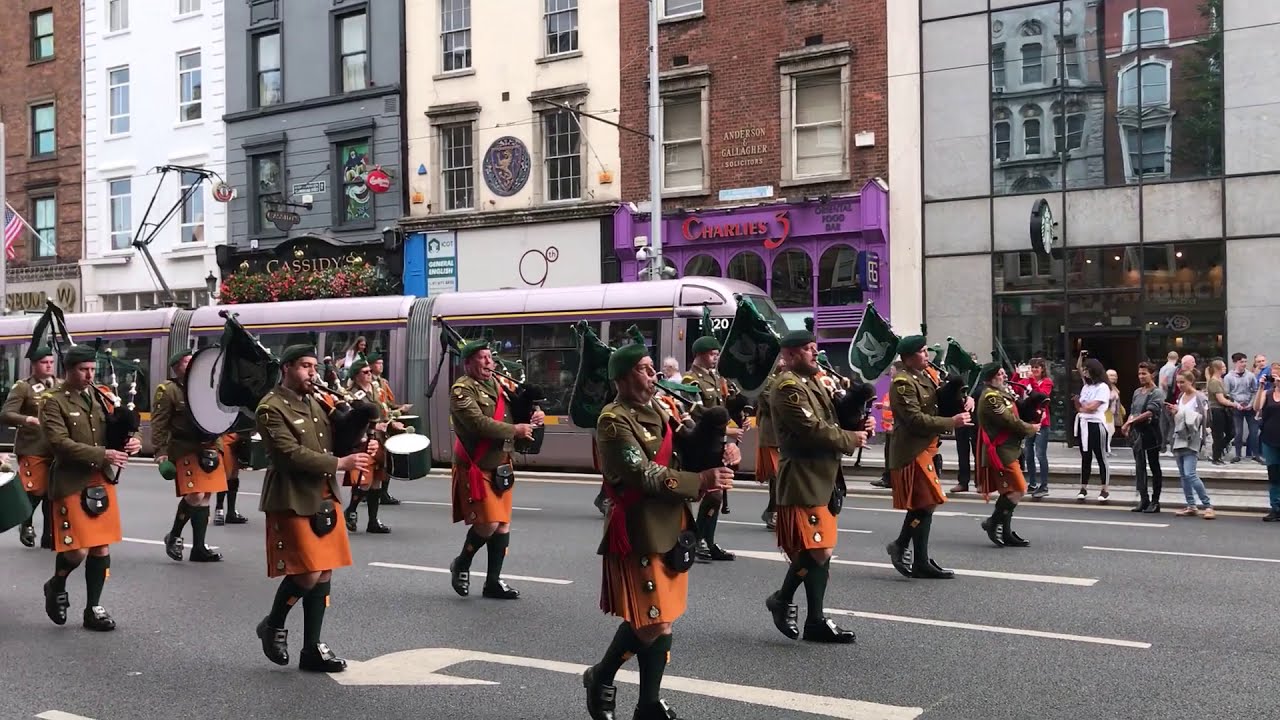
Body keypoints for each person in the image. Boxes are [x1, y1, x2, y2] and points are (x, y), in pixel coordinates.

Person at [582, 341, 734, 720]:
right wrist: (699, 480)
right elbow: (642, 473)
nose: (653, 376)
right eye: (644, 369)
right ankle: (601, 676)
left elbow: (688, 449)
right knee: (651, 622)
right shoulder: (614, 420)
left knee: (661, 618)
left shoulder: (664, 407)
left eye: (653, 369)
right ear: (622, 377)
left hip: (673, 522)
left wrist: (722, 451)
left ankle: (647, 703)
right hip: (639, 525)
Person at [254, 345, 376, 672]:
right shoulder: (270, 407)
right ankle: (273, 625)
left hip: (324, 492)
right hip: (292, 495)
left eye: (313, 366)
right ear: (287, 368)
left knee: (324, 569)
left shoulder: (318, 401)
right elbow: (287, 454)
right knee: (307, 572)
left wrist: (363, 436)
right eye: (305, 366)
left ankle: (312, 648)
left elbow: (336, 438)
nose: (312, 372)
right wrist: (340, 462)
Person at [765, 329, 867, 643]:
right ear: (791, 354)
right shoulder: (787, 387)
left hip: (823, 473)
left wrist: (857, 424)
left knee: (820, 550)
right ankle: (783, 600)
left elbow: (832, 419)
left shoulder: (812, 382)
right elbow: (810, 428)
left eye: (814, 347)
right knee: (818, 548)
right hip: (803, 475)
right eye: (809, 349)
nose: (815, 353)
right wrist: (851, 439)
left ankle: (814, 619)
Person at [40, 344, 142, 631]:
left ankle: (93, 608)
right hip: (71, 481)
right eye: (83, 370)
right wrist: (102, 454)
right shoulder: (52, 401)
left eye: (92, 370)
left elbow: (115, 429)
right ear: (69, 371)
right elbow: (58, 443)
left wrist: (129, 442)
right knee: (77, 551)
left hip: (100, 479)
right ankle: (56, 583)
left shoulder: (100, 396)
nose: (89, 375)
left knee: (100, 547)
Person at [448, 340, 544, 600]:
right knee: (488, 523)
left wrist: (534, 414)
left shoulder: (499, 384)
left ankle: (492, 582)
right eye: (483, 358)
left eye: (491, 357)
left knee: (502, 525)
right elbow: (478, 423)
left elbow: (515, 411)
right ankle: (462, 563)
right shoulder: (461, 390)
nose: (490, 362)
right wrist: (515, 430)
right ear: (468, 363)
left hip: (501, 463)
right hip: (477, 465)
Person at [885, 336, 969, 579]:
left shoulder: (924, 376)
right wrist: (951, 422)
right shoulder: (902, 382)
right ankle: (905, 548)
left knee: (925, 505)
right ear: (909, 356)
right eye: (922, 351)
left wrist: (963, 401)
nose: (926, 355)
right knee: (928, 502)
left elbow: (937, 404)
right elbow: (914, 419)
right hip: (912, 448)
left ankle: (913, 555)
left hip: (928, 446)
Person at [154, 349, 226, 563]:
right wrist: (160, 453)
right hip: (185, 447)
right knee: (195, 495)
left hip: (210, 446)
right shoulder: (168, 390)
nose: (192, 364)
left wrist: (220, 445)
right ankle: (174, 535)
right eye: (186, 362)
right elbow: (159, 423)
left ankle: (198, 548)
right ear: (177, 368)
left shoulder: (209, 385)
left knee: (205, 497)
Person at [681, 335, 743, 562]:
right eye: (712, 354)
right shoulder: (691, 380)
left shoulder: (716, 379)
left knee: (716, 495)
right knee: (704, 494)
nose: (716, 357)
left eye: (717, 354)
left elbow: (721, 410)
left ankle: (705, 540)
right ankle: (693, 540)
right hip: (699, 445)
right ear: (699, 354)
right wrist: (728, 432)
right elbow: (697, 415)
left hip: (715, 443)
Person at [975, 364, 1040, 547]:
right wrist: (1031, 428)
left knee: (1009, 491)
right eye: (1000, 374)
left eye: (1003, 373)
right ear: (991, 378)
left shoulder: (1001, 393)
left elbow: (1016, 411)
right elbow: (1009, 421)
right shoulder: (991, 397)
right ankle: (993, 523)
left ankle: (1005, 531)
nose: (1004, 376)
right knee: (1018, 489)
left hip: (1010, 448)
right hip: (1001, 450)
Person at [1, 346, 59, 549]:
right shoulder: (23, 387)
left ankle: (50, 535)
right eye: (44, 363)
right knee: (35, 490)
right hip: (32, 446)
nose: (49, 366)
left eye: (51, 362)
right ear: (34, 365)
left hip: (56, 448)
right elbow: (6, 413)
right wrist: (27, 419)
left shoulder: (59, 385)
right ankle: (26, 524)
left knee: (53, 494)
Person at [341, 357, 401, 534]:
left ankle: (373, 522)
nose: (370, 375)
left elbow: (384, 412)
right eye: (365, 372)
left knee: (377, 480)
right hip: (363, 441)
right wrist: (373, 426)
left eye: (369, 371)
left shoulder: (376, 389)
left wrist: (391, 423)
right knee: (363, 481)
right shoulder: (351, 395)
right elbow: (352, 420)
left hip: (380, 440)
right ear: (356, 376)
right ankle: (351, 509)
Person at [1166, 370, 1215, 519]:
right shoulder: (1181, 396)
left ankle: (1208, 505)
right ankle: (1191, 505)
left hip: (1193, 438)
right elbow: (1179, 417)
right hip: (1179, 437)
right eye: (1178, 382)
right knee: (1183, 475)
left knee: (1190, 474)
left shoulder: (1200, 397)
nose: (1179, 385)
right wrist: (1175, 412)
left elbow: (1205, 418)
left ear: (1191, 382)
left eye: (1183, 382)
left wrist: (1204, 439)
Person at [1122, 362, 1165, 513]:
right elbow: (1133, 411)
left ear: (1152, 374)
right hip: (1138, 434)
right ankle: (1143, 499)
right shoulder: (1137, 392)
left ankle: (1155, 501)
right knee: (1139, 467)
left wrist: (1131, 422)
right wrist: (1127, 423)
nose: (1141, 376)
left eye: (1144, 373)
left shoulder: (1157, 392)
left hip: (1151, 434)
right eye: (1139, 374)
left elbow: (1150, 412)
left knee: (1154, 466)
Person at [369, 352, 409, 505]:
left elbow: (388, 405)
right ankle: (367, 493)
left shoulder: (383, 383)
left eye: (381, 363)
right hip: (377, 427)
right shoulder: (369, 384)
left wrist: (400, 408)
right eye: (377, 363)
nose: (381, 366)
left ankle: (382, 492)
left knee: (386, 462)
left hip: (386, 427)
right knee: (377, 463)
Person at [1012, 358, 1053, 499]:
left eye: (1037, 367)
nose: (1034, 370)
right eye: (1032, 367)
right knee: (1028, 453)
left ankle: (1044, 485)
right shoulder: (1025, 381)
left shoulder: (1047, 382)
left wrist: (1032, 381)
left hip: (1042, 422)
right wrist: (1017, 375)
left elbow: (1042, 397)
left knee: (1040, 453)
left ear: (1042, 369)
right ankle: (1032, 483)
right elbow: (1015, 389)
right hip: (1028, 421)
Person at [754, 355, 786, 531]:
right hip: (771, 434)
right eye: (779, 358)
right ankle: (772, 512)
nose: (783, 361)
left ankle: (773, 511)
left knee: (781, 477)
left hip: (782, 435)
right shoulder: (766, 381)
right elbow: (770, 403)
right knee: (777, 476)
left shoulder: (785, 378)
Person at [1074, 357, 1111, 503]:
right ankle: (1083, 487)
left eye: (1086, 369)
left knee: (1101, 456)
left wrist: (1082, 406)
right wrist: (1082, 406)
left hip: (1096, 424)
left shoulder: (1103, 387)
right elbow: (1081, 407)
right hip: (1084, 423)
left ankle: (1104, 489)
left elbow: (1091, 407)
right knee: (1085, 456)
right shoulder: (1086, 387)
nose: (1084, 372)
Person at [1254, 362, 1280, 521]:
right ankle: (1275, 507)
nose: (1276, 378)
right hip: (1269, 439)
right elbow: (1256, 407)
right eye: (1273, 375)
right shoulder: (1267, 393)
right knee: (1274, 475)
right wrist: (1261, 387)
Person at [1225, 353, 1260, 463]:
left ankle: (1256, 455)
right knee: (1238, 432)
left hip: (1249, 406)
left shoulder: (1250, 375)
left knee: (1254, 431)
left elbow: (1255, 390)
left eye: (1245, 361)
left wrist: (1251, 403)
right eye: (1241, 362)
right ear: (1235, 363)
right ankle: (1238, 455)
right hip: (1237, 407)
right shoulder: (1228, 377)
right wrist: (1236, 404)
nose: (1244, 364)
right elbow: (1227, 393)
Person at [1204, 359, 1235, 465]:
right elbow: (1220, 399)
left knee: (1231, 432)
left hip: (1223, 410)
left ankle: (1218, 451)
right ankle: (1216, 457)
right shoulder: (1214, 381)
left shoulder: (1219, 380)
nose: (1225, 369)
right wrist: (1234, 404)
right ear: (1217, 369)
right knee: (1218, 434)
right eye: (1223, 367)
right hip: (1217, 410)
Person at [214, 428, 248, 526]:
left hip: (238, 439)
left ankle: (231, 512)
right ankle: (219, 511)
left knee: (233, 477)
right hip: (225, 438)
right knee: (225, 477)